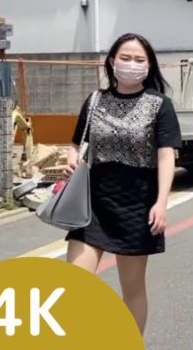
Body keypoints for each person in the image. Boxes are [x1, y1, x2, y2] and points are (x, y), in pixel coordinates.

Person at [64, 33, 181, 335]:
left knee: (132, 288)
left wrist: (161, 202)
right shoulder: (94, 101)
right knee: (74, 285)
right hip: (93, 201)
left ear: (149, 65)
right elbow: (76, 143)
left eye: (139, 59)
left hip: (137, 202)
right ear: (112, 61)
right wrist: (71, 157)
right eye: (125, 58)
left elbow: (166, 155)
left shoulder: (159, 105)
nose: (131, 64)